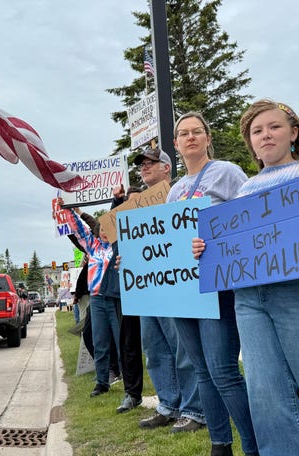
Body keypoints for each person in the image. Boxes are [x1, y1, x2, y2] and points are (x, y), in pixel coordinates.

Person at [194, 100, 299, 456]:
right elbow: (232, 244)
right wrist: (206, 248)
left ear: (294, 133)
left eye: (274, 127)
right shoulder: (244, 191)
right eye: (256, 131)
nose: (265, 135)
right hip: (248, 299)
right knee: (266, 395)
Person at [169, 112, 258, 456]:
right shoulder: (175, 190)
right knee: (202, 372)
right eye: (183, 134)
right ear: (176, 144)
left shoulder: (227, 173)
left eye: (196, 132)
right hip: (179, 292)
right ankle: (220, 444)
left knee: (223, 371)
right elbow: (165, 242)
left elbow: (249, 218)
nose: (190, 137)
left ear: (207, 138)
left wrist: (215, 243)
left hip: (217, 287)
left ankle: (253, 444)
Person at [132, 147, 206, 432]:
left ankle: (194, 409)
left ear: (167, 168)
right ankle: (168, 405)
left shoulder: (181, 195)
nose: (145, 167)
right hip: (147, 288)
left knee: (182, 349)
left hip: (176, 284)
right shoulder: (135, 206)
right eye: (142, 165)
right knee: (154, 348)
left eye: (152, 163)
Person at [62, 204, 120, 397]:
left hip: (115, 299)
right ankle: (102, 382)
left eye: (107, 229)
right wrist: (68, 209)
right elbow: (78, 228)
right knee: (99, 341)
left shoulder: (118, 248)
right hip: (96, 299)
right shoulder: (93, 247)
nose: (104, 232)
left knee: (121, 341)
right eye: (101, 229)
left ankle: (128, 379)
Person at [100, 185, 145, 413]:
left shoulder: (154, 224)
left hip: (155, 289)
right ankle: (132, 393)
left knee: (161, 346)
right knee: (128, 344)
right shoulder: (121, 228)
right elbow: (110, 222)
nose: (135, 207)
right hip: (125, 291)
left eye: (140, 203)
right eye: (130, 203)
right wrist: (116, 201)